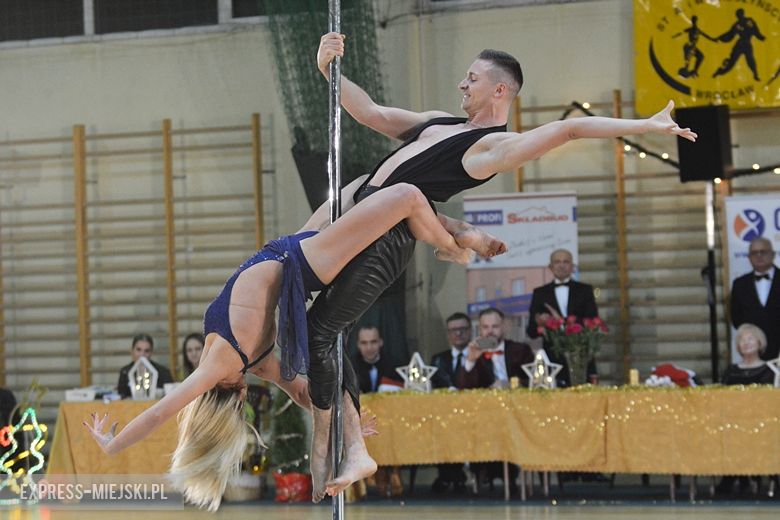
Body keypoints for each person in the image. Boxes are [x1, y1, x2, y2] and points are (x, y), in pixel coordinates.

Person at [306, 33, 697, 496]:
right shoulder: (438, 123)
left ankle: (336, 442)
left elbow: (568, 130)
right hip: (358, 214)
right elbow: (371, 112)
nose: (461, 84)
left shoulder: (490, 149)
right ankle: (347, 442)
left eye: (471, 79)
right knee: (312, 319)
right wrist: (330, 70)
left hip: (384, 239)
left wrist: (645, 126)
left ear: (500, 90)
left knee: (320, 329)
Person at [84, 181, 501, 510]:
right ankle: (456, 247)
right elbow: (306, 392)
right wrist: (345, 422)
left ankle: (456, 240)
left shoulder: (226, 364)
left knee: (366, 190)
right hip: (299, 260)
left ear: (236, 396)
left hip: (295, 252)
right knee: (400, 197)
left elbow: (163, 411)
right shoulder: (248, 363)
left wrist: (113, 446)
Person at [430, 312, 494, 493]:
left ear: (470, 331)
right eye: (453, 330)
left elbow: (488, 381)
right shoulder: (438, 359)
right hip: (447, 416)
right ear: (448, 333)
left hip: (478, 415)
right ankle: (449, 476)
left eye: (462, 329)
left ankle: (479, 474)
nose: (458, 334)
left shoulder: (483, 357)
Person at [715, 323, 774, 497]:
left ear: (759, 343)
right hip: (734, 421)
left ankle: (767, 476)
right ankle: (734, 476)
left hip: (762, 421)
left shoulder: (769, 369)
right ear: (738, 346)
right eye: (742, 340)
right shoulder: (731, 371)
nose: (746, 343)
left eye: (750, 339)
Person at [526, 249, 599, 387]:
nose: (561, 265)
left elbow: (592, 322)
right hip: (552, 361)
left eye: (566, 262)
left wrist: (559, 322)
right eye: (557, 262)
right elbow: (531, 332)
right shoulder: (540, 293)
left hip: (581, 358)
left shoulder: (585, 290)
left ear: (572, 267)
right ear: (550, 267)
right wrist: (541, 323)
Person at [352, 325, 403, 497]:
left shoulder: (395, 364)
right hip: (362, 423)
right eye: (364, 343)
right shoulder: (349, 365)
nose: (369, 347)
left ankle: (393, 478)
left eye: (373, 342)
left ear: (380, 342)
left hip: (391, 426)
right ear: (358, 345)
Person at [730, 237, 779, 361]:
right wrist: (752, 340)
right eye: (754, 253)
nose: (759, 256)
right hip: (752, 353)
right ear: (749, 257)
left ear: (773, 255)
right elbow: (736, 318)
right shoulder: (739, 284)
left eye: (763, 252)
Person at [473, 307, 534, 388]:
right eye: (485, 327)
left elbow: (534, 380)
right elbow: (466, 387)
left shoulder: (521, 350)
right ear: (480, 329)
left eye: (495, 326)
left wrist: (511, 384)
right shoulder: (475, 354)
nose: (490, 331)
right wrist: (470, 360)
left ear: (503, 327)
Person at [116, 334, 174, 399]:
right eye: (138, 350)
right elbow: (120, 397)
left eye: (146, 351)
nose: (142, 354)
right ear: (132, 350)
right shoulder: (125, 372)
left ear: (151, 353)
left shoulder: (163, 372)